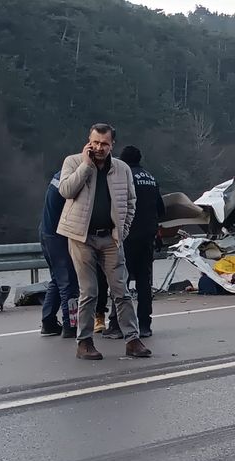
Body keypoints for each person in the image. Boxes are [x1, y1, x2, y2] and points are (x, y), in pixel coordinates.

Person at [57, 123, 151, 360]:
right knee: (88, 291)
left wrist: (124, 229)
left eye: (104, 144)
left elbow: (131, 201)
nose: (99, 147)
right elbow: (66, 190)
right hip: (81, 236)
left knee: (121, 290)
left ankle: (132, 340)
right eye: (95, 142)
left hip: (110, 237)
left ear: (112, 145)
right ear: (88, 141)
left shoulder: (122, 169)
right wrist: (87, 167)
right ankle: (84, 342)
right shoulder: (73, 162)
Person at [103, 145, 164, 339]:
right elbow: (161, 209)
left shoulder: (124, 177)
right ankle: (145, 325)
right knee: (145, 282)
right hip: (148, 236)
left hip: (126, 236)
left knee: (120, 281)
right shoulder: (151, 178)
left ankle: (116, 325)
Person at [38, 170, 79, 338]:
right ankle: (71, 325)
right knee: (68, 282)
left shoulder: (60, 175)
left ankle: (48, 322)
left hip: (46, 232)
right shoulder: (75, 180)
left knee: (58, 278)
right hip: (58, 236)